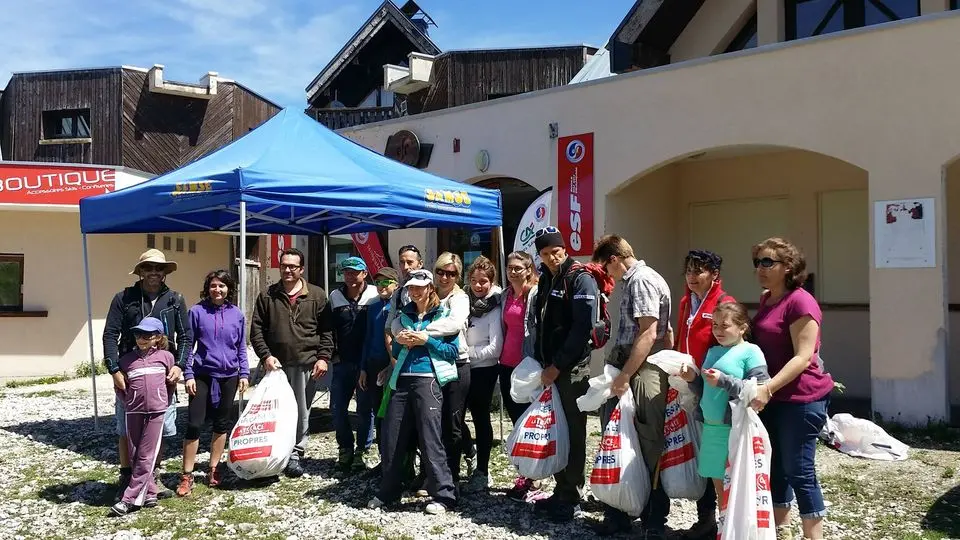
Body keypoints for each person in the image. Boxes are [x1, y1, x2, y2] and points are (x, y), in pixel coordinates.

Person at [748, 238, 834, 540]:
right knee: (777, 466)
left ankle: (814, 536)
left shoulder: (800, 301)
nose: (761, 267)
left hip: (801, 399)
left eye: (768, 262)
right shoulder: (767, 298)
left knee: (799, 470)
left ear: (788, 267)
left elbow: (803, 355)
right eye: (758, 261)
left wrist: (767, 388)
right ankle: (780, 530)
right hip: (773, 398)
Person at [590, 234, 672, 538]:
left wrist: (625, 375)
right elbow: (667, 329)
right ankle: (621, 508)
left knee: (647, 439)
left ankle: (652, 517)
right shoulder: (640, 280)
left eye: (607, 267)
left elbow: (648, 333)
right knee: (617, 436)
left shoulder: (641, 281)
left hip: (639, 365)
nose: (608, 275)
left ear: (614, 259)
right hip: (632, 362)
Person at [368, 269, 459, 515]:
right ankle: (389, 491)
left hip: (428, 379)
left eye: (420, 287)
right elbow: (396, 350)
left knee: (430, 437)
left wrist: (425, 340)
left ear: (430, 288)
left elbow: (452, 352)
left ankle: (444, 495)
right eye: (411, 287)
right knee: (391, 436)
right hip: (401, 379)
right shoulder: (403, 314)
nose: (415, 291)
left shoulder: (444, 314)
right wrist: (403, 340)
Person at [103, 249, 191, 501]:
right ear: (140, 271)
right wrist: (114, 369)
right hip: (130, 372)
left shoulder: (175, 299)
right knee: (126, 426)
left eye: (158, 268)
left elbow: (185, 336)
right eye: (148, 268)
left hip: (164, 374)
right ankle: (126, 474)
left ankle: (153, 475)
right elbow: (110, 335)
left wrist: (180, 365)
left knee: (160, 426)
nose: (154, 272)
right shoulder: (124, 298)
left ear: (165, 273)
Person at [529, 226, 598, 523]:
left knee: (572, 429)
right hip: (550, 368)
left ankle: (572, 495)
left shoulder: (580, 278)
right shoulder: (546, 278)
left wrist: (557, 365)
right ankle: (561, 489)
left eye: (555, 251)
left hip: (571, 369)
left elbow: (581, 329)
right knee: (556, 428)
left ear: (564, 248)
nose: (551, 257)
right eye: (545, 254)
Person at [679, 302, 769, 527]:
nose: (718, 330)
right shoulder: (713, 351)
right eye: (715, 325)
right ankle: (724, 528)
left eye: (725, 325)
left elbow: (759, 391)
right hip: (710, 428)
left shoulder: (750, 351)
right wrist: (693, 379)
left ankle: (736, 529)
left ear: (742, 328)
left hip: (734, 429)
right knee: (720, 487)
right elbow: (705, 388)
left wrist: (723, 381)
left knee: (736, 485)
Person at [250, 247, 335, 478]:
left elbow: (327, 331)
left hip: (306, 362)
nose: (287, 270)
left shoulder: (317, 295)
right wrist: (266, 356)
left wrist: (323, 358)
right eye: (284, 265)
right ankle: (275, 451)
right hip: (275, 364)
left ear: (301, 269)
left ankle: (296, 454)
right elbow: (256, 330)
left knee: (301, 411)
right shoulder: (267, 296)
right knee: (273, 410)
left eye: (292, 266)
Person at [674, 249, 735, 539]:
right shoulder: (687, 301)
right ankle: (708, 519)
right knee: (702, 455)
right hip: (688, 386)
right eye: (689, 270)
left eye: (699, 271)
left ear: (714, 275)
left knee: (717, 458)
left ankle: (727, 522)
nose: (692, 276)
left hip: (713, 391)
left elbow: (731, 349)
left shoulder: (724, 303)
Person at [176, 270, 249, 496]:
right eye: (214, 286)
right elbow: (188, 344)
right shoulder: (197, 312)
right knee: (195, 424)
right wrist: (188, 374)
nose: (217, 290)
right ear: (207, 288)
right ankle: (187, 474)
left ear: (229, 289)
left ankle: (214, 469)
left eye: (222, 286)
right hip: (202, 374)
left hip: (229, 376)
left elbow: (241, 347)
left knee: (221, 424)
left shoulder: (237, 314)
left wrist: (244, 373)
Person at [110, 317, 176, 516]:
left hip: (156, 411)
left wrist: (161, 400)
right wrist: (129, 401)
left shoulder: (166, 357)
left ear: (157, 337)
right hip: (133, 411)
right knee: (135, 453)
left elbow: (170, 385)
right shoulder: (127, 360)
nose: (142, 339)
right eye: (138, 334)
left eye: (147, 335)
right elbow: (120, 387)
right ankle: (150, 493)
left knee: (147, 455)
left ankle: (129, 499)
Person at [328, 256, 381, 473]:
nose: (350, 276)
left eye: (354, 272)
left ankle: (362, 450)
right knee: (337, 408)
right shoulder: (335, 296)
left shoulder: (375, 295)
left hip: (366, 363)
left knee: (364, 409)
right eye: (346, 272)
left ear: (364, 274)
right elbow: (329, 329)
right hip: (342, 362)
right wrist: (331, 353)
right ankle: (345, 448)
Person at [499, 250, 544, 502]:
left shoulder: (535, 295)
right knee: (517, 423)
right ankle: (524, 474)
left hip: (528, 366)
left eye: (519, 267)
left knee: (529, 423)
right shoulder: (506, 295)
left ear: (529, 269)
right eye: (510, 267)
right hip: (506, 365)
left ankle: (533, 477)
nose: (513, 271)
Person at [460, 256, 503, 493]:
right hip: (462, 369)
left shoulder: (495, 307)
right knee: (453, 418)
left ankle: (482, 471)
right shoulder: (464, 302)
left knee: (480, 419)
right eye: (474, 281)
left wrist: (466, 352)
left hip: (484, 371)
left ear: (492, 281)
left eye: (484, 281)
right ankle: (469, 451)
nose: (479, 286)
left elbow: (494, 349)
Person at [358, 267, 400, 467]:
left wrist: (392, 365)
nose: (381, 287)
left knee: (393, 414)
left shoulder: (400, 306)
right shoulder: (372, 306)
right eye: (378, 283)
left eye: (386, 283)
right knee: (378, 413)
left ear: (396, 285)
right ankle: (384, 460)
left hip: (392, 365)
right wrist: (363, 368)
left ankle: (397, 461)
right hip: (373, 365)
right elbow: (365, 339)